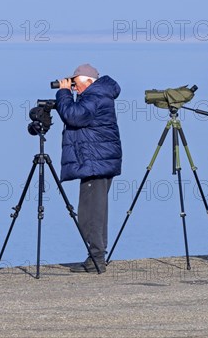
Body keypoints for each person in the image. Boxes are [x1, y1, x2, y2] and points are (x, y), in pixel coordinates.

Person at [55, 64, 122, 273]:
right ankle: (97, 257)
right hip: (97, 161)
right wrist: (68, 94)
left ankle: (96, 260)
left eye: (75, 83)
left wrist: (63, 94)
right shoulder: (98, 94)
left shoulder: (95, 96)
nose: (74, 88)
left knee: (90, 214)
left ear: (89, 81)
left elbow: (74, 116)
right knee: (96, 211)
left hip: (95, 162)